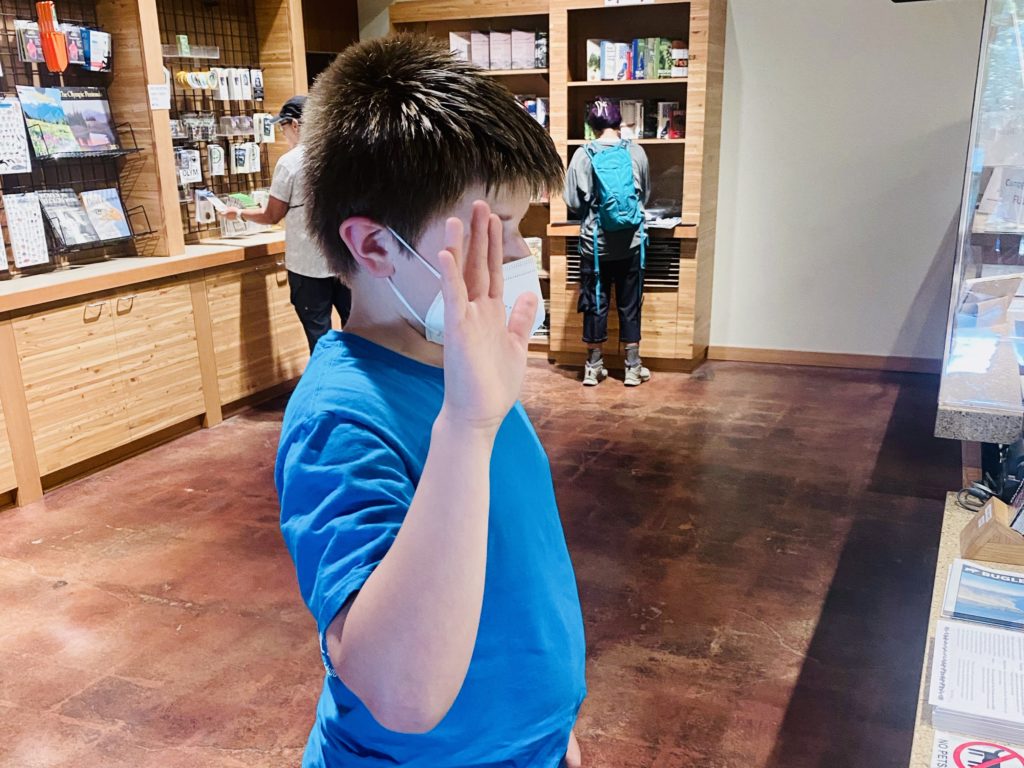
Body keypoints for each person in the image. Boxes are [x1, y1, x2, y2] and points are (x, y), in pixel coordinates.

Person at [276, 35, 586, 768]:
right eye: (493, 228)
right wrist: (470, 424)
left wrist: (553, 722)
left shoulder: (459, 365)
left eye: (520, 227)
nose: (517, 255)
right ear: (376, 248)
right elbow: (401, 692)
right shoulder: (341, 418)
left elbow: (515, 559)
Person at [225, 95, 351, 352]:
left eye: (282, 127)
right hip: (346, 259)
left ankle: (326, 388)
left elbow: (271, 215)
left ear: (295, 124)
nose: (283, 134)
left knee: (320, 339)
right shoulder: (342, 153)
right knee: (360, 332)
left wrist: (239, 214)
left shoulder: (291, 162)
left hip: (308, 263)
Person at [564, 99, 651, 387]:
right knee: (630, 305)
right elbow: (645, 195)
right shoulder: (636, 152)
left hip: (595, 247)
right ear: (619, 123)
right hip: (631, 244)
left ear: (592, 127)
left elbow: (574, 202)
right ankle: (632, 367)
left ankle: (593, 367)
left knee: (595, 304)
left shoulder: (582, 155)